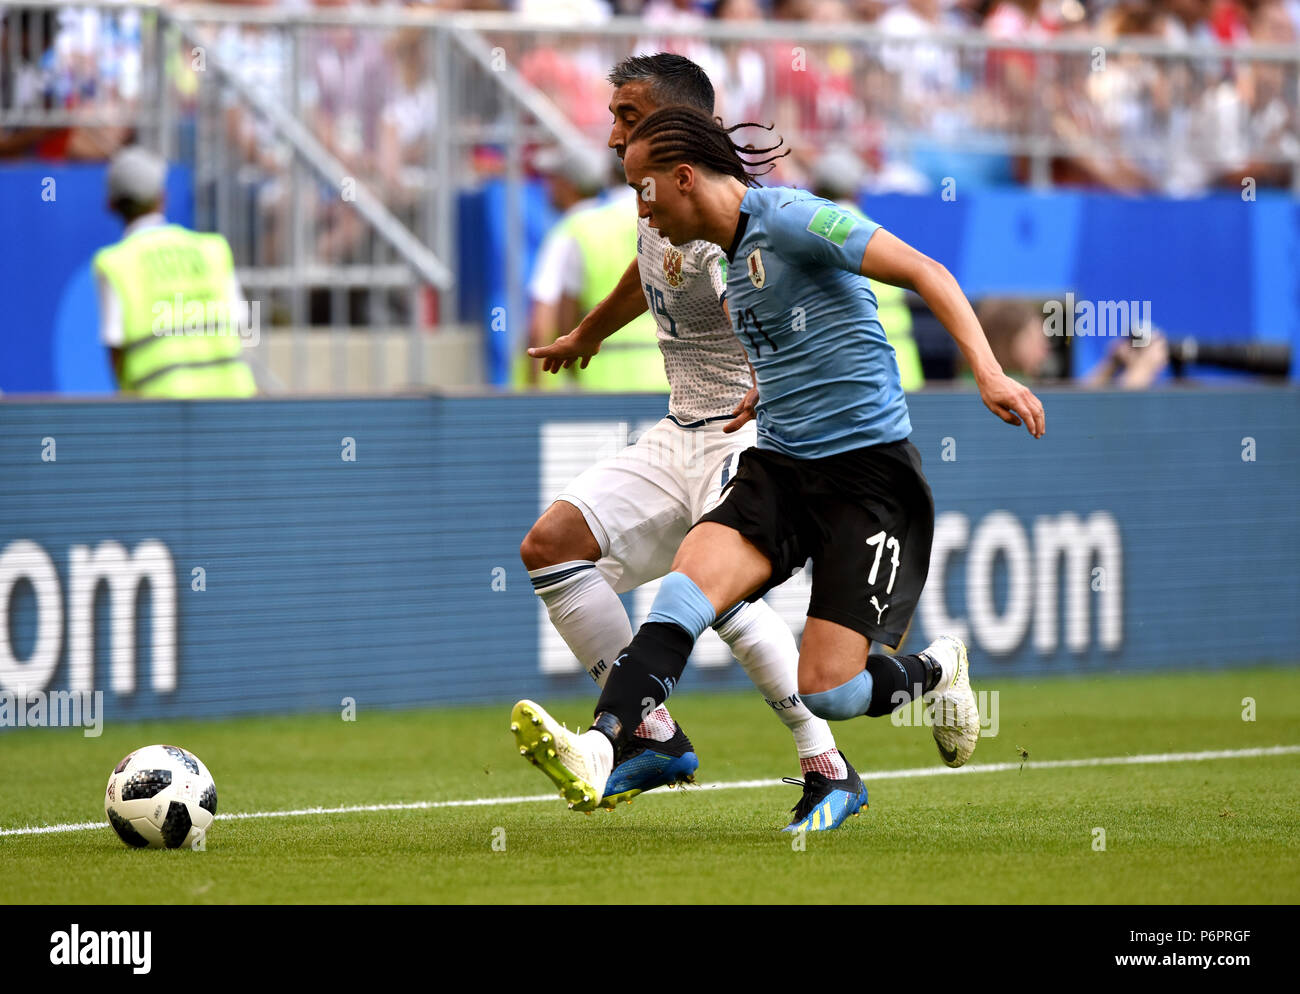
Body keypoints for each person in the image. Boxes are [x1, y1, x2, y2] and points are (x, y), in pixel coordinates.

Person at [515, 105, 1046, 815]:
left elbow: (926, 270)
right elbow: (799, 337)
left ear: (681, 177)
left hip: (867, 477)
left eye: (645, 190)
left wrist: (989, 370)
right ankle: (608, 743)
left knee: (834, 688)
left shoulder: (794, 218)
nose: (642, 212)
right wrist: (768, 391)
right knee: (683, 591)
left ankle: (935, 670)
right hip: (781, 469)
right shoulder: (724, 259)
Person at [518, 54, 857, 832]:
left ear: (682, 130)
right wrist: (586, 333)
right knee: (552, 546)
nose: (610, 134)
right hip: (683, 428)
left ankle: (828, 765)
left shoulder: (743, 220)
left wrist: (771, 380)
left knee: (713, 586)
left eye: (627, 117)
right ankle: (653, 733)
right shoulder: (653, 203)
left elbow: (794, 311)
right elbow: (650, 273)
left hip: (752, 436)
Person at [94, 146, 257, 397]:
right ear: (163, 197)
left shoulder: (114, 263)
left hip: (160, 412)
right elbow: (244, 327)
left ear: (111, 205)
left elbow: (115, 346)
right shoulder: (213, 249)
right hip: (232, 402)